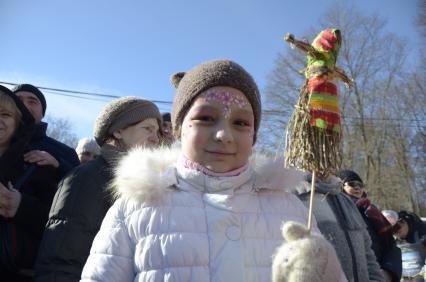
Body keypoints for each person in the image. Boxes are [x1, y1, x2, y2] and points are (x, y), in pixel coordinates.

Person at [80, 59, 345, 281]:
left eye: (240, 123)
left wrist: (327, 272)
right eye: (205, 119)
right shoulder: (135, 208)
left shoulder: (290, 208)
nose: (223, 134)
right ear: (178, 128)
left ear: (254, 136)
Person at [35, 97, 163, 282]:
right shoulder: (87, 177)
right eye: (148, 128)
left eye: (158, 131)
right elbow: (60, 259)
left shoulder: (148, 182)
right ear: (118, 131)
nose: (155, 138)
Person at [0, 85, 58, 281]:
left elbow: (61, 224)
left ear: (18, 123)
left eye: (6, 114)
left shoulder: (38, 164)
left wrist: (21, 206)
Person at [295, 173, 385, 282]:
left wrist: (377, 279)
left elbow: (367, 251)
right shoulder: (296, 198)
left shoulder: (347, 201)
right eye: (352, 184)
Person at [337, 170, 402, 282]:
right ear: (340, 186)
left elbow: (390, 246)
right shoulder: (335, 210)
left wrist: (388, 272)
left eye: (360, 185)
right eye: (352, 184)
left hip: (376, 275)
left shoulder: (371, 211)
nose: (357, 187)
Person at [13, 84, 80, 179]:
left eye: (32, 102)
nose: (24, 105)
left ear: (42, 112)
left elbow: (80, 187)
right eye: (18, 100)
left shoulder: (65, 153)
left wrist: (58, 165)